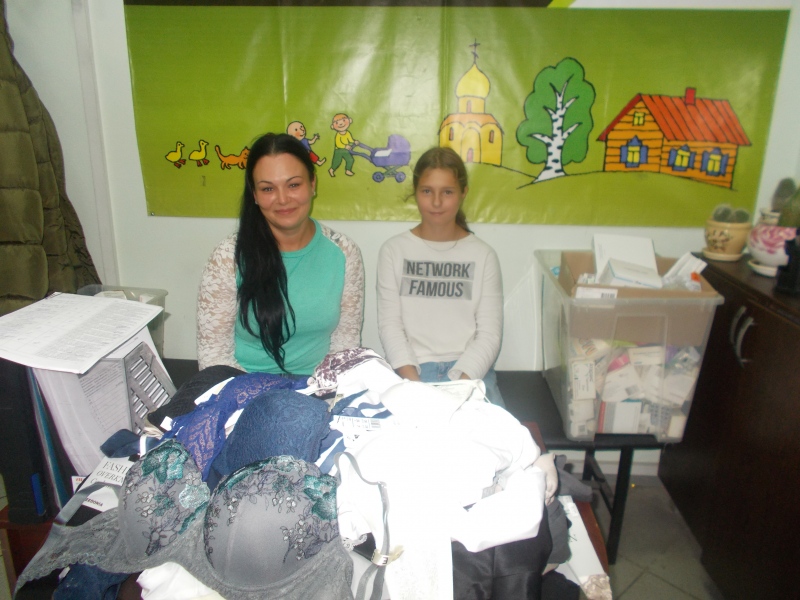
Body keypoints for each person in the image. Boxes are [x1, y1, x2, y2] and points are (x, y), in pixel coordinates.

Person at [197, 133, 364, 375]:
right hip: (243, 385)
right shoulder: (227, 258)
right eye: (268, 189)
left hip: (317, 386)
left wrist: (321, 390)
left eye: (293, 185)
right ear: (254, 195)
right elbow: (214, 356)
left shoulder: (344, 252)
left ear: (312, 184)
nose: (283, 199)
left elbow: (345, 345)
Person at [377, 146, 505, 406]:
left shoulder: (483, 255)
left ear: (463, 193)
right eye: (427, 191)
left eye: (447, 192)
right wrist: (417, 389)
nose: (436, 202)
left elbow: (489, 335)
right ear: (415, 192)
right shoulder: (393, 251)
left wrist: (458, 389)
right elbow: (390, 327)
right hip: (412, 372)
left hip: (471, 374)